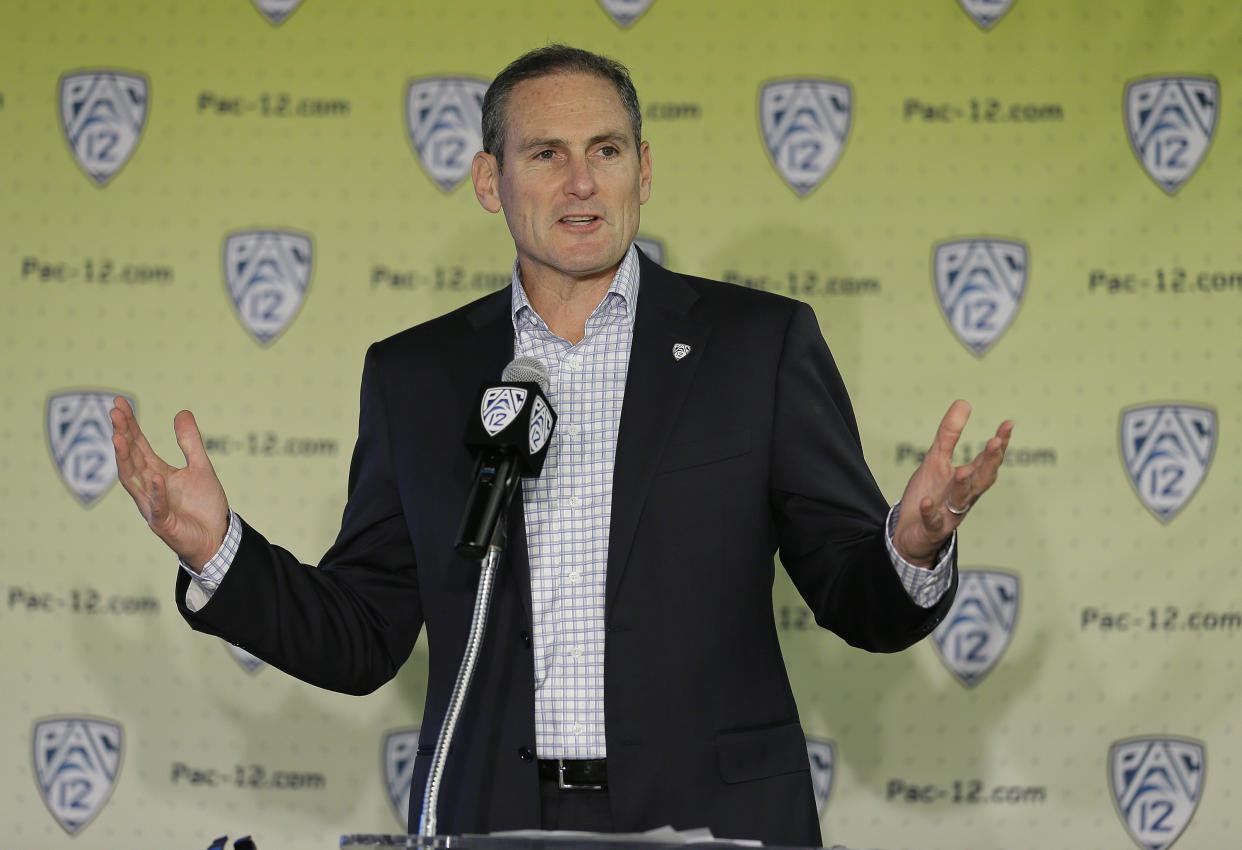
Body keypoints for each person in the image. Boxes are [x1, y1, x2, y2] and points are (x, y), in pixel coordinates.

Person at [110, 45, 1012, 846]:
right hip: (493, 813)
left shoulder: (756, 347)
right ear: (489, 181)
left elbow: (857, 598)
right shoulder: (415, 376)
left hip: (713, 817)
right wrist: (217, 553)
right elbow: (365, 633)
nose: (582, 182)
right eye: (547, 153)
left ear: (644, 170)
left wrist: (911, 544)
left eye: (606, 151)